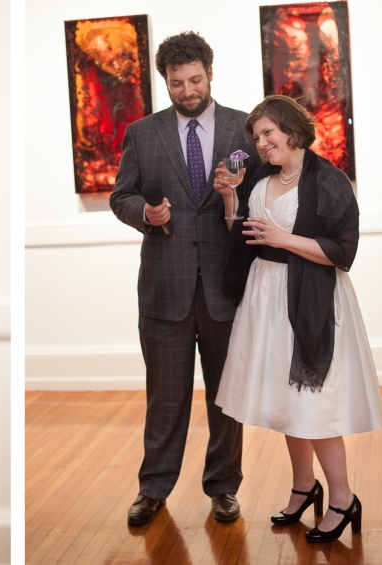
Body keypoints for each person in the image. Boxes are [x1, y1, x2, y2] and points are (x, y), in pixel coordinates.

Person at [214, 95, 382, 543]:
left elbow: (341, 252)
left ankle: (343, 498)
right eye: (256, 137)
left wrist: (284, 238)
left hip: (310, 300)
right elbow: (249, 238)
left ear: (291, 128)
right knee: (288, 404)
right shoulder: (262, 178)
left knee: (313, 406)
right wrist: (231, 198)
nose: (262, 142)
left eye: (268, 132)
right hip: (266, 299)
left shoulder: (329, 181)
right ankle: (303, 487)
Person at [109, 31, 257, 526]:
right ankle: (153, 488)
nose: (187, 91)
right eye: (177, 84)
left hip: (226, 289)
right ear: (164, 82)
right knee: (165, 397)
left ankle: (223, 488)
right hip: (164, 290)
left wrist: (238, 194)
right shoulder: (141, 132)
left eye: (195, 80)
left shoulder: (244, 128)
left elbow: (263, 192)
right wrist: (146, 215)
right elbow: (120, 197)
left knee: (226, 397)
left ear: (210, 73)